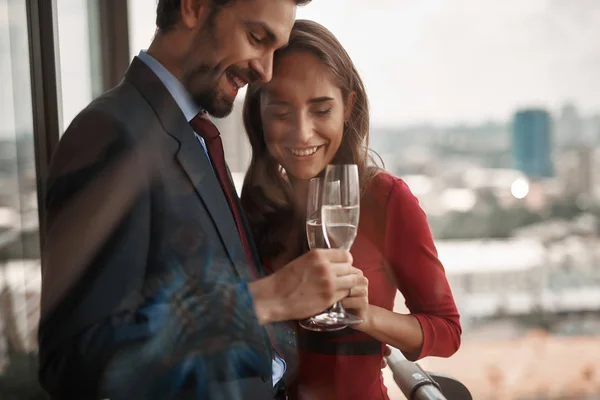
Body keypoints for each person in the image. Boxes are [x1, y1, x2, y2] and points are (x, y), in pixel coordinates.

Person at [37, 2, 368, 399]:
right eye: (257, 38)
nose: (265, 70)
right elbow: (72, 358)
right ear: (193, 7)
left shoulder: (191, 131)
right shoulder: (112, 133)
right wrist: (263, 300)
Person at [241, 19, 462, 400]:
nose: (302, 132)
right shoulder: (256, 203)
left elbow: (447, 333)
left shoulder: (385, 199)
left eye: (321, 110)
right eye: (280, 113)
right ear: (259, 116)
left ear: (348, 106)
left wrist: (366, 316)